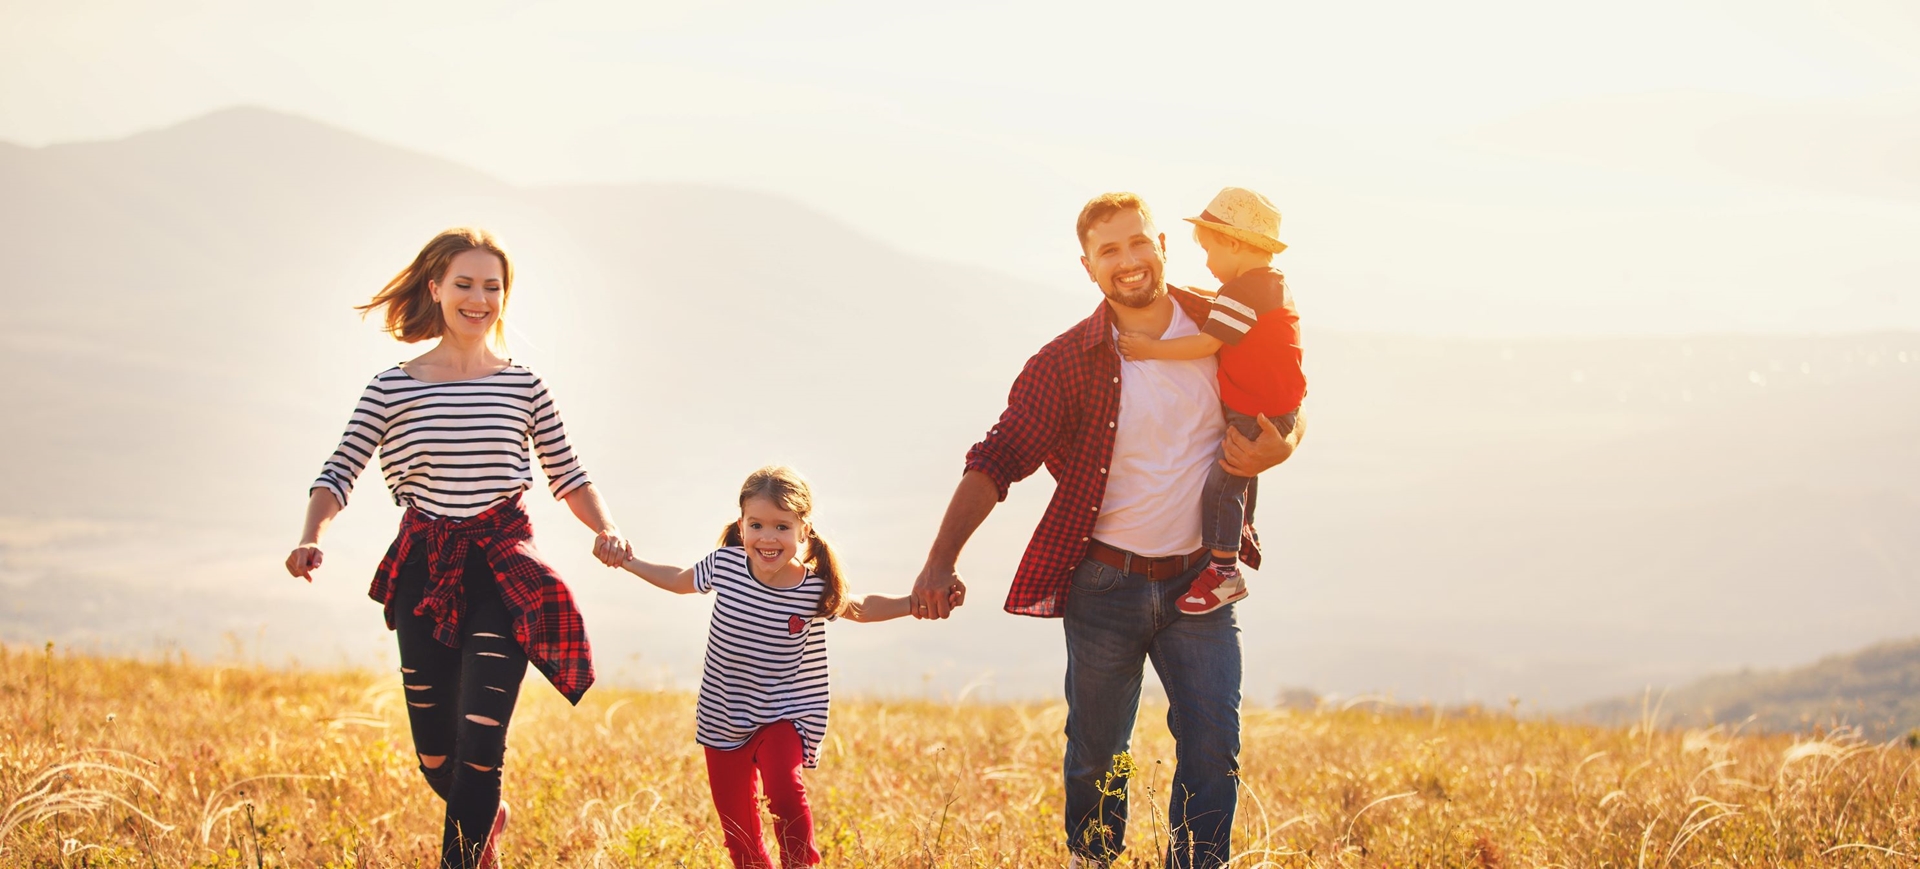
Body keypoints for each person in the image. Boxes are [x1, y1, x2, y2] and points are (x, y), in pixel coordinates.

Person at [908, 193, 1304, 868]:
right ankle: (1092, 860)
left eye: (1138, 242)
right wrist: (939, 560)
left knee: (1213, 743)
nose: (1127, 260)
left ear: (1162, 247)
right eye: (1109, 250)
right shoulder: (1067, 361)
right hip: (1105, 584)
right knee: (1096, 751)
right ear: (1089, 266)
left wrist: (1285, 444)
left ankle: (1198, 862)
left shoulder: (1221, 318)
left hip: (1199, 580)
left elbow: (1285, 392)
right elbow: (998, 458)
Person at [284, 227, 632, 869]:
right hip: (424, 570)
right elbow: (339, 471)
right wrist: (311, 536)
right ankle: (486, 816)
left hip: (503, 573)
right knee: (437, 757)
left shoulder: (524, 385)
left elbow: (570, 474)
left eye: (492, 287)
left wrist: (604, 530)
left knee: (481, 748)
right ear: (436, 288)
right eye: (465, 285)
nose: (479, 299)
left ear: (505, 296)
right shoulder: (391, 387)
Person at [621, 465, 936, 869]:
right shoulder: (725, 566)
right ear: (741, 525)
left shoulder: (814, 588)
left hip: (785, 713)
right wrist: (629, 562)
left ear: (804, 530)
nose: (768, 538)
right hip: (722, 717)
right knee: (740, 835)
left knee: (785, 790)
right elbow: (680, 579)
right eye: (757, 525)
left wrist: (916, 604)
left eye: (782, 527)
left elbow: (863, 608)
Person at [1117, 186, 1304, 614]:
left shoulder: (1243, 293)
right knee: (1242, 476)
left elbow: (1205, 344)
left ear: (1235, 245)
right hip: (1277, 406)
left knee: (1223, 480)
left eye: (1209, 250)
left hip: (1257, 411)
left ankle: (1223, 572)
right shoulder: (1268, 285)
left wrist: (1149, 349)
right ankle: (1240, 530)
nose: (1206, 262)